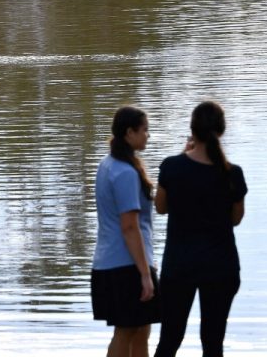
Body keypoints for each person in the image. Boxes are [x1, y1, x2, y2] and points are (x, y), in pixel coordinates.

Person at [154, 101, 247, 357]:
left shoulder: (172, 167)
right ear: (221, 130)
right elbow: (236, 219)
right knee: (213, 343)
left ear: (192, 130)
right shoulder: (232, 174)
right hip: (221, 266)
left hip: (179, 265)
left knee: (170, 340)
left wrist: (182, 157)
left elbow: (161, 208)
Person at [91, 106, 161, 357]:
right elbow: (129, 227)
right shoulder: (125, 172)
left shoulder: (108, 164)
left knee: (141, 330)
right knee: (126, 331)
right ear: (129, 133)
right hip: (125, 265)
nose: (148, 136)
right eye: (144, 130)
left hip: (114, 261)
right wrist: (145, 274)